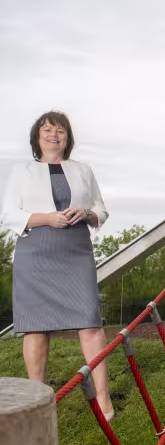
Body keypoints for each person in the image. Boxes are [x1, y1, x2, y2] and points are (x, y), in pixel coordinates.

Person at [1, 111, 113, 421]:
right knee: (36, 327)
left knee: (90, 323)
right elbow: (8, 213)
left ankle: (103, 399)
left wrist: (86, 213)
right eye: (47, 130)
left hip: (75, 250)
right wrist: (47, 218)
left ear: (68, 137)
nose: (54, 135)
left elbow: (101, 210)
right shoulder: (22, 171)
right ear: (37, 137)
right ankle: (38, 402)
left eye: (60, 130)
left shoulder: (82, 169)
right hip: (35, 252)